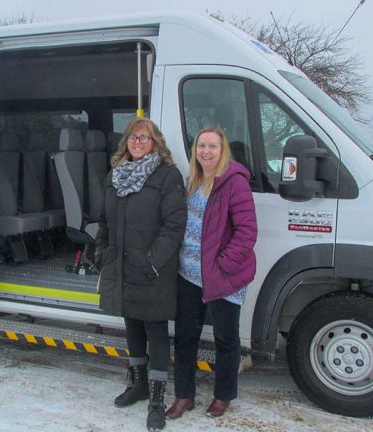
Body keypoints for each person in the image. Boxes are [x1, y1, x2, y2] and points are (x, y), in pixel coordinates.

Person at [96, 117, 187, 431]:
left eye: (144, 138)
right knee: (132, 325)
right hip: (121, 266)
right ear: (126, 142)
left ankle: (158, 398)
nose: (137, 142)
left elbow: (174, 227)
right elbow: (104, 222)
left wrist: (152, 262)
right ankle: (138, 385)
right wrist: (101, 251)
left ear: (155, 143)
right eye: (133, 137)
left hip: (152, 271)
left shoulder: (167, 176)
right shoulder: (115, 176)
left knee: (156, 332)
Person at [166, 127, 258, 419]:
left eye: (212, 146)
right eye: (201, 146)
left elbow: (247, 232)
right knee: (184, 337)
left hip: (222, 276)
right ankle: (184, 395)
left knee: (226, 340)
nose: (206, 151)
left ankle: (223, 395)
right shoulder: (192, 181)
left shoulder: (234, 183)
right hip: (188, 275)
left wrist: (223, 266)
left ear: (223, 150)